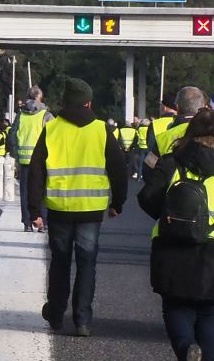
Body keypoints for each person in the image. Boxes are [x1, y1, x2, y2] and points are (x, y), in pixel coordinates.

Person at [136, 108, 214, 361]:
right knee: (211, 311)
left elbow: (147, 196)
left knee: (176, 306)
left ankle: (187, 350)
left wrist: (167, 218)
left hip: (172, 244)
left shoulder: (173, 161)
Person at [28, 78, 129, 336]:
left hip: (59, 209)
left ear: (65, 101)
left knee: (60, 262)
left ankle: (56, 312)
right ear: (88, 102)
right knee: (87, 264)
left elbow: (36, 172)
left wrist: (34, 211)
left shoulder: (51, 129)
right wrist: (117, 202)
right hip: (91, 210)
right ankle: (82, 319)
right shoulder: (101, 130)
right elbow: (118, 169)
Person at [10, 87, 50, 232]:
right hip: (42, 161)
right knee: (42, 192)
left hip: (24, 160)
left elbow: (13, 135)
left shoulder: (20, 115)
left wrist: (16, 155)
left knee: (25, 192)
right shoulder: (46, 115)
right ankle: (42, 221)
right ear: (40, 97)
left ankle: (27, 222)